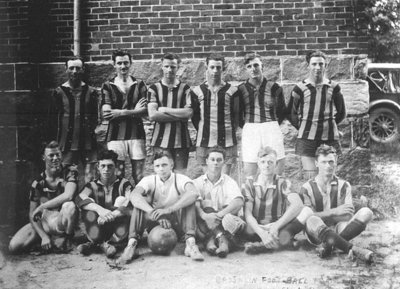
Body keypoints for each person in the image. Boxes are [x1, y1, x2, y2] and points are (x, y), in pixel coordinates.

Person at [117, 150, 204, 264]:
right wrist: (153, 212)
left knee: (190, 202)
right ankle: (131, 245)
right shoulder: (149, 180)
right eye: (157, 166)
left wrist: (169, 210)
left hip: (177, 221)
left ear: (171, 165)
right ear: (154, 168)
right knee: (139, 205)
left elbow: (193, 193)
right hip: (155, 220)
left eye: (164, 165)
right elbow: (134, 195)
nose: (161, 169)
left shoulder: (181, 178)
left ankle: (191, 244)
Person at [301, 145, 374, 262]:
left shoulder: (344, 185)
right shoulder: (306, 187)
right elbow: (308, 217)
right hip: (317, 234)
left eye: (331, 162)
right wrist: (335, 211)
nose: (328, 166)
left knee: (367, 212)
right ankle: (348, 247)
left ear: (336, 162)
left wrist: (322, 214)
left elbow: (348, 215)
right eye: (323, 162)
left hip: (340, 228)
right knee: (312, 220)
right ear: (316, 163)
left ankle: (329, 246)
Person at [9, 141, 78, 254]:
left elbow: (69, 195)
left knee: (69, 206)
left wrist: (43, 206)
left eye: (58, 154)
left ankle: (66, 238)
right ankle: (47, 241)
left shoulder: (70, 172)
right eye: (51, 155)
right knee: (14, 247)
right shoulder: (38, 182)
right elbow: (32, 214)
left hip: (61, 220)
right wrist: (43, 236)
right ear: (43, 157)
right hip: (45, 221)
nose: (55, 158)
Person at [287, 50, 346, 179]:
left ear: (326, 66)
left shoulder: (334, 87)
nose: (317, 68)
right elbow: (291, 112)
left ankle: (329, 199)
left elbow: (341, 112)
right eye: (314, 64)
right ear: (308, 65)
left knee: (328, 176)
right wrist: (303, 127)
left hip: (329, 138)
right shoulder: (300, 88)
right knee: (311, 177)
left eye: (321, 64)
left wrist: (331, 126)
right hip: (307, 139)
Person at [241, 146, 312, 254]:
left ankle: (263, 246)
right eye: (263, 162)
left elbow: (298, 204)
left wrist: (276, 226)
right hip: (256, 228)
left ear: (276, 164)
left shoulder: (283, 182)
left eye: (270, 162)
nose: (266, 165)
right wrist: (262, 233)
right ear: (258, 164)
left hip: (277, 227)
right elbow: (248, 214)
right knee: (230, 220)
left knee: (307, 211)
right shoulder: (249, 183)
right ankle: (278, 242)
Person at [47, 56, 99, 183]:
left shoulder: (91, 92)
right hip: (66, 142)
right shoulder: (58, 92)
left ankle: (87, 201)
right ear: (66, 69)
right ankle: (68, 202)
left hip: (87, 142)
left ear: (83, 70)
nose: (74, 71)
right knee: (66, 176)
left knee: (90, 176)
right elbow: (52, 119)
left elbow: (96, 116)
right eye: (71, 68)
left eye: (78, 68)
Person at [101, 49, 148, 184]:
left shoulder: (139, 84)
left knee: (139, 175)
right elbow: (107, 114)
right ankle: (120, 202)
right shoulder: (108, 85)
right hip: (115, 135)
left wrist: (120, 113)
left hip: (137, 133)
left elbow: (146, 111)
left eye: (126, 63)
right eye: (119, 63)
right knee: (118, 174)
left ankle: (139, 203)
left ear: (131, 63)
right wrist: (134, 111)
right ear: (114, 64)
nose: (123, 66)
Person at [75, 150, 133, 258]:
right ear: (98, 167)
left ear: (115, 166)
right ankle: (102, 244)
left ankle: (99, 244)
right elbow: (79, 199)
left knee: (121, 200)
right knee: (88, 207)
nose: (106, 170)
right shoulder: (92, 185)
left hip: (117, 227)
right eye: (103, 166)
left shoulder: (124, 184)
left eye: (110, 166)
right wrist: (99, 209)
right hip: (98, 225)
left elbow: (131, 204)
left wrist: (112, 214)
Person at [238, 53, 286, 178]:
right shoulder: (241, 89)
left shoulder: (275, 87)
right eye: (249, 66)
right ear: (246, 69)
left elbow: (281, 111)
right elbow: (238, 114)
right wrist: (248, 126)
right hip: (251, 129)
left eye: (256, 65)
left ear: (262, 66)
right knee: (249, 169)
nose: (253, 69)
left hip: (271, 127)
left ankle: (275, 194)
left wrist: (272, 124)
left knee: (276, 165)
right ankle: (251, 196)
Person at [191, 53, 241, 176]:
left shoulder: (232, 90)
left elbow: (237, 115)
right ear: (206, 67)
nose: (215, 71)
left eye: (218, 68)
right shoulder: (198, 91)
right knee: (208, 179)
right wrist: (206, 128)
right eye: (212, 67)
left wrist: (227, 129)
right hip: (204, 140)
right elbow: (195, 116)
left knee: (224, 179)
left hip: (227, 140)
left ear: (223, 69)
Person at [193, 147, 245, 258]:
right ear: (206, 161)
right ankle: (222, 240)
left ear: (224, 162)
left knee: (230, 217)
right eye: (212, 159)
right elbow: (195, 203)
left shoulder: (229, 181)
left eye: (219, 160)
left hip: (222, 221)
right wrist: (205, 216)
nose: (215, 163)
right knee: (206, 209)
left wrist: (219, 215)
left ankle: (211, 241)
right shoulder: (197, 182)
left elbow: (239, 201)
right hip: (204, 223)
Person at [147, 53, 193, 174]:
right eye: (166, 66)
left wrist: (165, 109)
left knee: (180, 175)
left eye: (173, 67)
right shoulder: (154, 88)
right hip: (160, 141)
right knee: (162, 175)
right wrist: (179, 116)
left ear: (178, 67)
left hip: (181, 140)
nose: (169, 70)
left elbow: (188, 113)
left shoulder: (185, 88)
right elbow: (153, 115)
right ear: (162, 67)